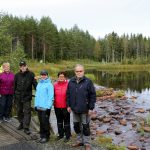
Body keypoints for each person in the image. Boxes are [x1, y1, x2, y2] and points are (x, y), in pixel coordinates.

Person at [67, 64, 96, 150]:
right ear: (74, 72)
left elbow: (93, 95)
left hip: (85, 110)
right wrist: (68, 105)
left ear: (83, 71)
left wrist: (91, 108)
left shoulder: (88, 81)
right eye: (77, 71)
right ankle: (79, 141)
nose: (79, 73)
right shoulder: (71, 81)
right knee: (76, 126)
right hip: (74, 109)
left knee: (85, 127)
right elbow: (68, 95)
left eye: (80, 71)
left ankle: (87, 144)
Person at [14, 60, 37, 135]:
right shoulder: (16, 75)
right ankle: (21, 123)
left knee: (27, 112)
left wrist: (40, 92)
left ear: (26, 66)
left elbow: (35, 85)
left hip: (27, 97)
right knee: (19, 111)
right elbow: (14, 87)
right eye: (21, 66)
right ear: (19, 67)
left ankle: (26, 127)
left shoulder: (31, 74)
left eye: (24, 66)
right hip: (18, 97)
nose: (22, 67)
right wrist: (14, 96)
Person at [34, 70, 54, 143]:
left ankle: (46, 136)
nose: (43, 76)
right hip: (39, 106)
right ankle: (42, 136)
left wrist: (48, 107)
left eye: (44, 75)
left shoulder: (49, 84)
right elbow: (37, 95)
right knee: (41, 122)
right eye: (42, 75)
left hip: (45, 108)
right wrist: (35, 105)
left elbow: (51, 97)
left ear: (47, 75)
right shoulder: (39, 84)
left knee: (45, 122)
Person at [54, 71, 71, 142]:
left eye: (62, 76)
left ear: (65, 77)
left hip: (66, 107)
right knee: (59, 121)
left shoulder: (68, 85)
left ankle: (67, 136)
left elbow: (70, 96)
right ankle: (60, 134)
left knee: (66, 122)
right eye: (60, 76)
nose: (61, 78)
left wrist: (69, 106)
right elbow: (52, 95)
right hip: (57, 106)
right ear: (58, 77)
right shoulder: (54, 85)